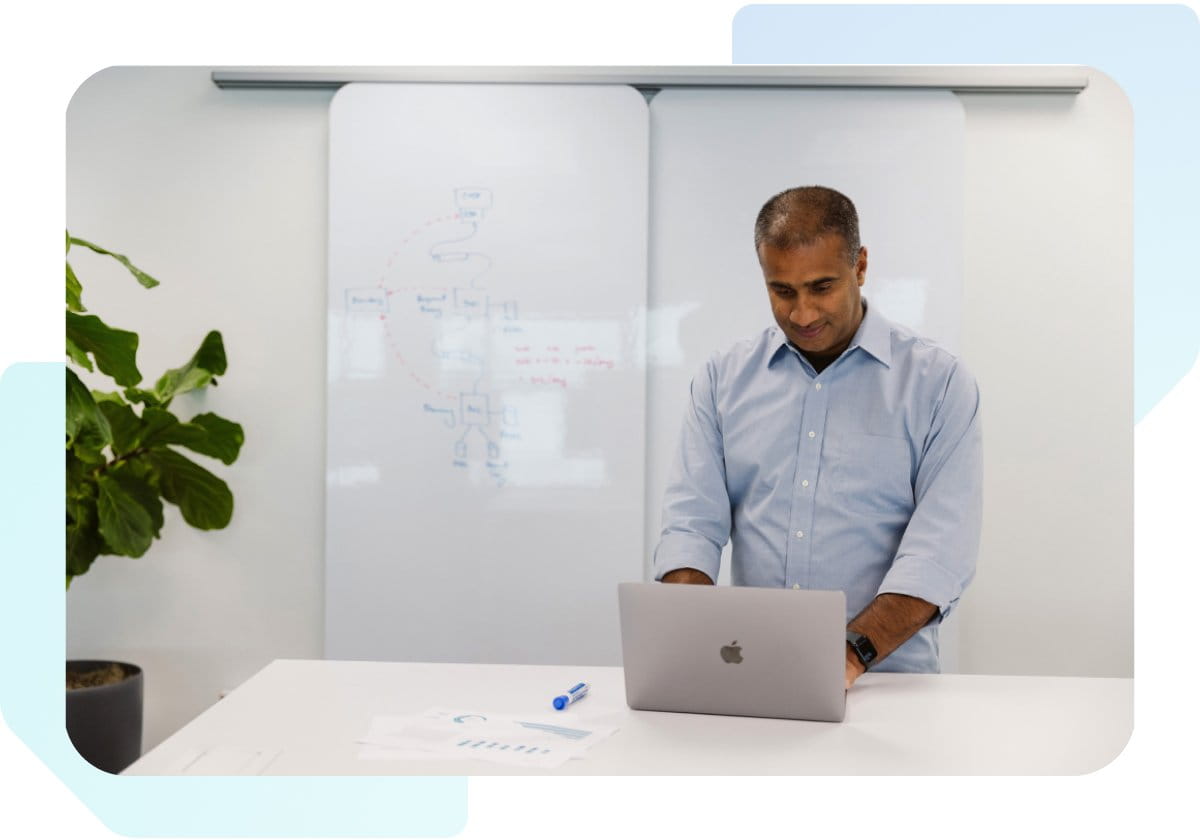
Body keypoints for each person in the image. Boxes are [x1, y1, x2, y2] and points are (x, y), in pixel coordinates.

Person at [653, 186, 982, 689]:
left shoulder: (937, 384)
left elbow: (937, 556)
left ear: (861, 266)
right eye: (782, 291)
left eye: (822, 287)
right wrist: (691, 639)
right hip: (752, 674)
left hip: (887, 683)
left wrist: (848, 658)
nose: (802, 314)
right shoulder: (723, 380)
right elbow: (691, 529)